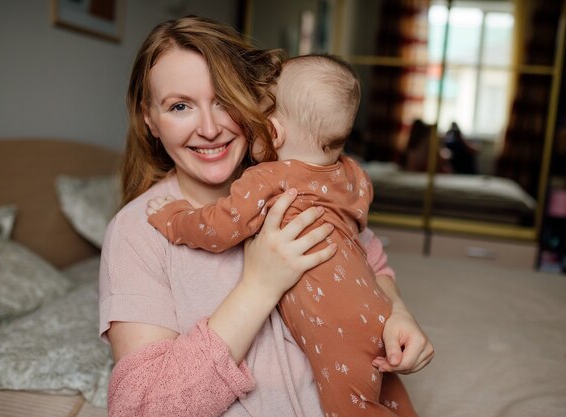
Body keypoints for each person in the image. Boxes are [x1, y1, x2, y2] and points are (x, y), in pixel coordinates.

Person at [99, 15, 434, 417]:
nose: (209, 128)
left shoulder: (301, 177)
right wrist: (258, 286)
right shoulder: (137, 232)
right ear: (150, 118)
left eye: (224, 99)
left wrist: (397, 312)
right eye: (180, 106)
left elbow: (371, 262)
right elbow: (142, 411)